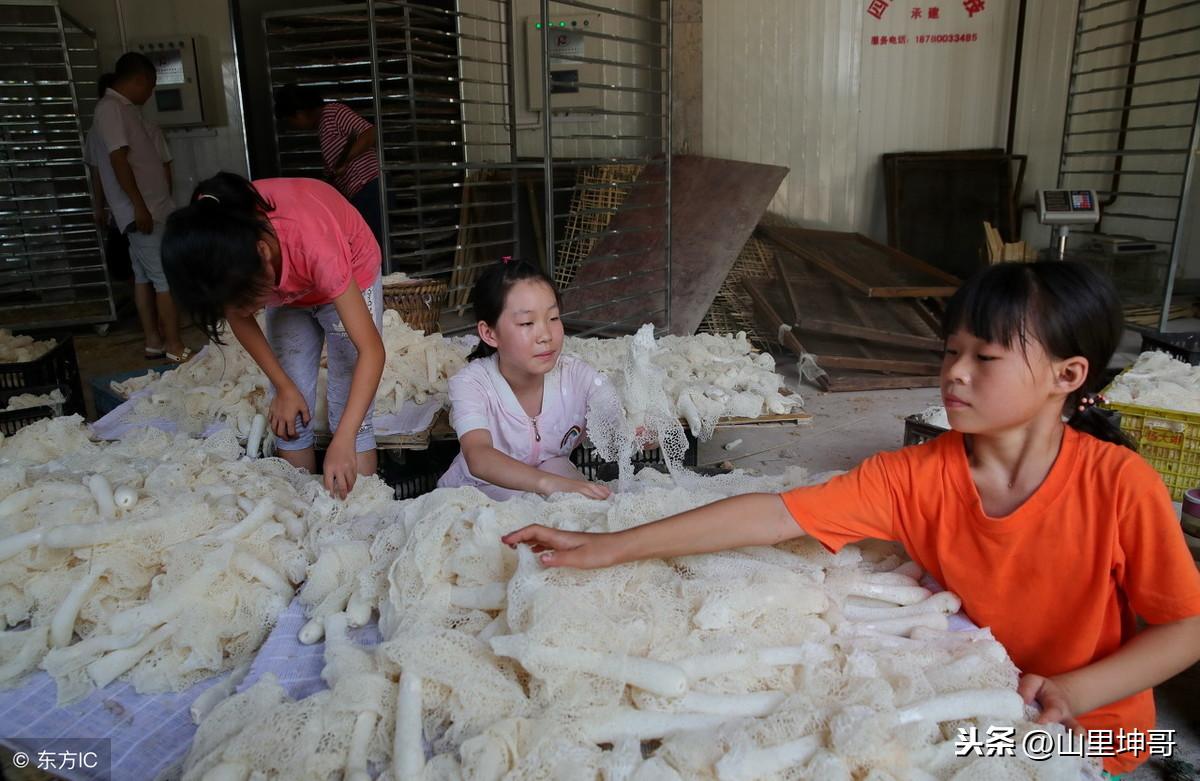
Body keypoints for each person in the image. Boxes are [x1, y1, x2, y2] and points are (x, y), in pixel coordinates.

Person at [502, 261, 1200, 777]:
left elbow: (1187, 626)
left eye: (984, 358)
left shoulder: (1119, 485)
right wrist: (609, 547)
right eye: (950, 351)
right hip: (987, 697)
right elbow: (773, 515)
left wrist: (1078, 689)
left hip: (1099, 730)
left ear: (1068, 376)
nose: (954, 373)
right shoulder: (919, 474)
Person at [161, 173, 385, 499]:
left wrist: (345, 438)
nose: (242, 310)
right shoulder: (218, 244)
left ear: (263, 252)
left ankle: (358, 512)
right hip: (287, 283)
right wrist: (282, 386)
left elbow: (372, 351)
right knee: (290, 413)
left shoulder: (313, 242)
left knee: (351, 410)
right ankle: (299, 505)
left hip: (349, 266)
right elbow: (238, 315)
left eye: (248, 301)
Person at [437, 259, 615, 501]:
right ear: (489, 333)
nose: (545, 335)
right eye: (527, 323)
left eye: (553, 318)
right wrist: (547, 484)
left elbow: (614, 417)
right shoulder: (472, 383)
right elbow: (478, 455)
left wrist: (637, 433)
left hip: (551, 479)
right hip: (478, 494)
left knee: (559, 470)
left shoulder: (576, 377)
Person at [88, 53, 190, 362]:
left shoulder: (124, 110)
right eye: (151, 85)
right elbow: (117, 161)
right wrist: (139, 207)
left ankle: (153, 342)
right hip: (144, 212)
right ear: (139, 79)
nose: (150, 93)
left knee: (145, 278)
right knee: (163, 279)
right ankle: (174, 345)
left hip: (150, 208)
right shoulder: (110, 109)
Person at [273, 84, 383, 250]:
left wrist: (345, 160)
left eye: (291, 120)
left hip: (370, 187)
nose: (294, 126)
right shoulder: (323, 128)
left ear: (299, 113)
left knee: (375, 245)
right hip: (360, 194)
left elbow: (371, 134)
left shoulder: (333, 112)